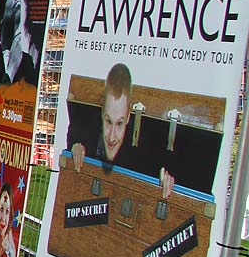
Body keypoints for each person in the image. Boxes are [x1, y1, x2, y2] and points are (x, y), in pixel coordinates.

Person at [66, 62, 174, 199]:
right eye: (108, 121)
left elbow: (158, 168)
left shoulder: (144, 149)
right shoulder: (84, 133)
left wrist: (165, 179)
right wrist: (74, 148)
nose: (112, 137)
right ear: (102, 112)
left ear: (128, 117)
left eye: (119, 124)